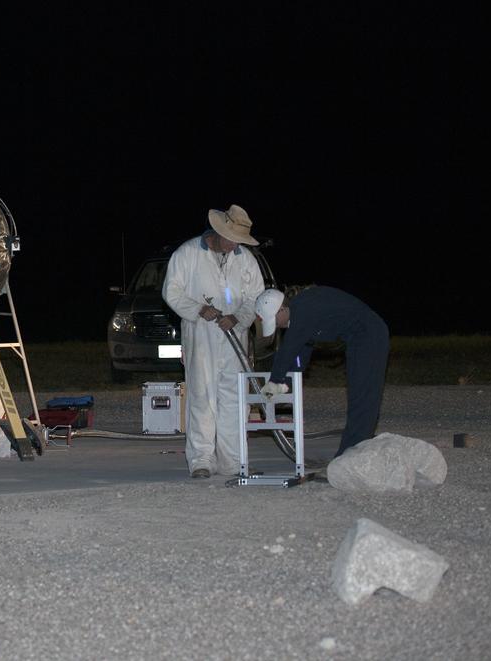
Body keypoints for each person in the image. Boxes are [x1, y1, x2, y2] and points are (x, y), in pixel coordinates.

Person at [161, 204, 265, 478]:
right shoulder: (188, 254)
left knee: (234, 399)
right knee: (201, 396)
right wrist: (198, 309)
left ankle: (234, 462)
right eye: (232, 239)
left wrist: (239, 317)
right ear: (218, 232)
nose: (235, 246)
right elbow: (172, 291)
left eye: (239, 241)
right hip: (201, 334)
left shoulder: (245, 259)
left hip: (235, 337)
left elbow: (256, 296)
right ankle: (201, 461)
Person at [255, 286, 389, 457]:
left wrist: (274, 381)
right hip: (360, 338)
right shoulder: (302, 313)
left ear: (281, 309)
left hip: (369, 335)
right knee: (359, 394)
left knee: (362, 395)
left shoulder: (303, 311)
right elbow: (300, 357)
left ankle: (352, 454)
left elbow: (287, 350)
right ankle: (354, 451)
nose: (277, 325)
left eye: (274, 320)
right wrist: (286, 384)